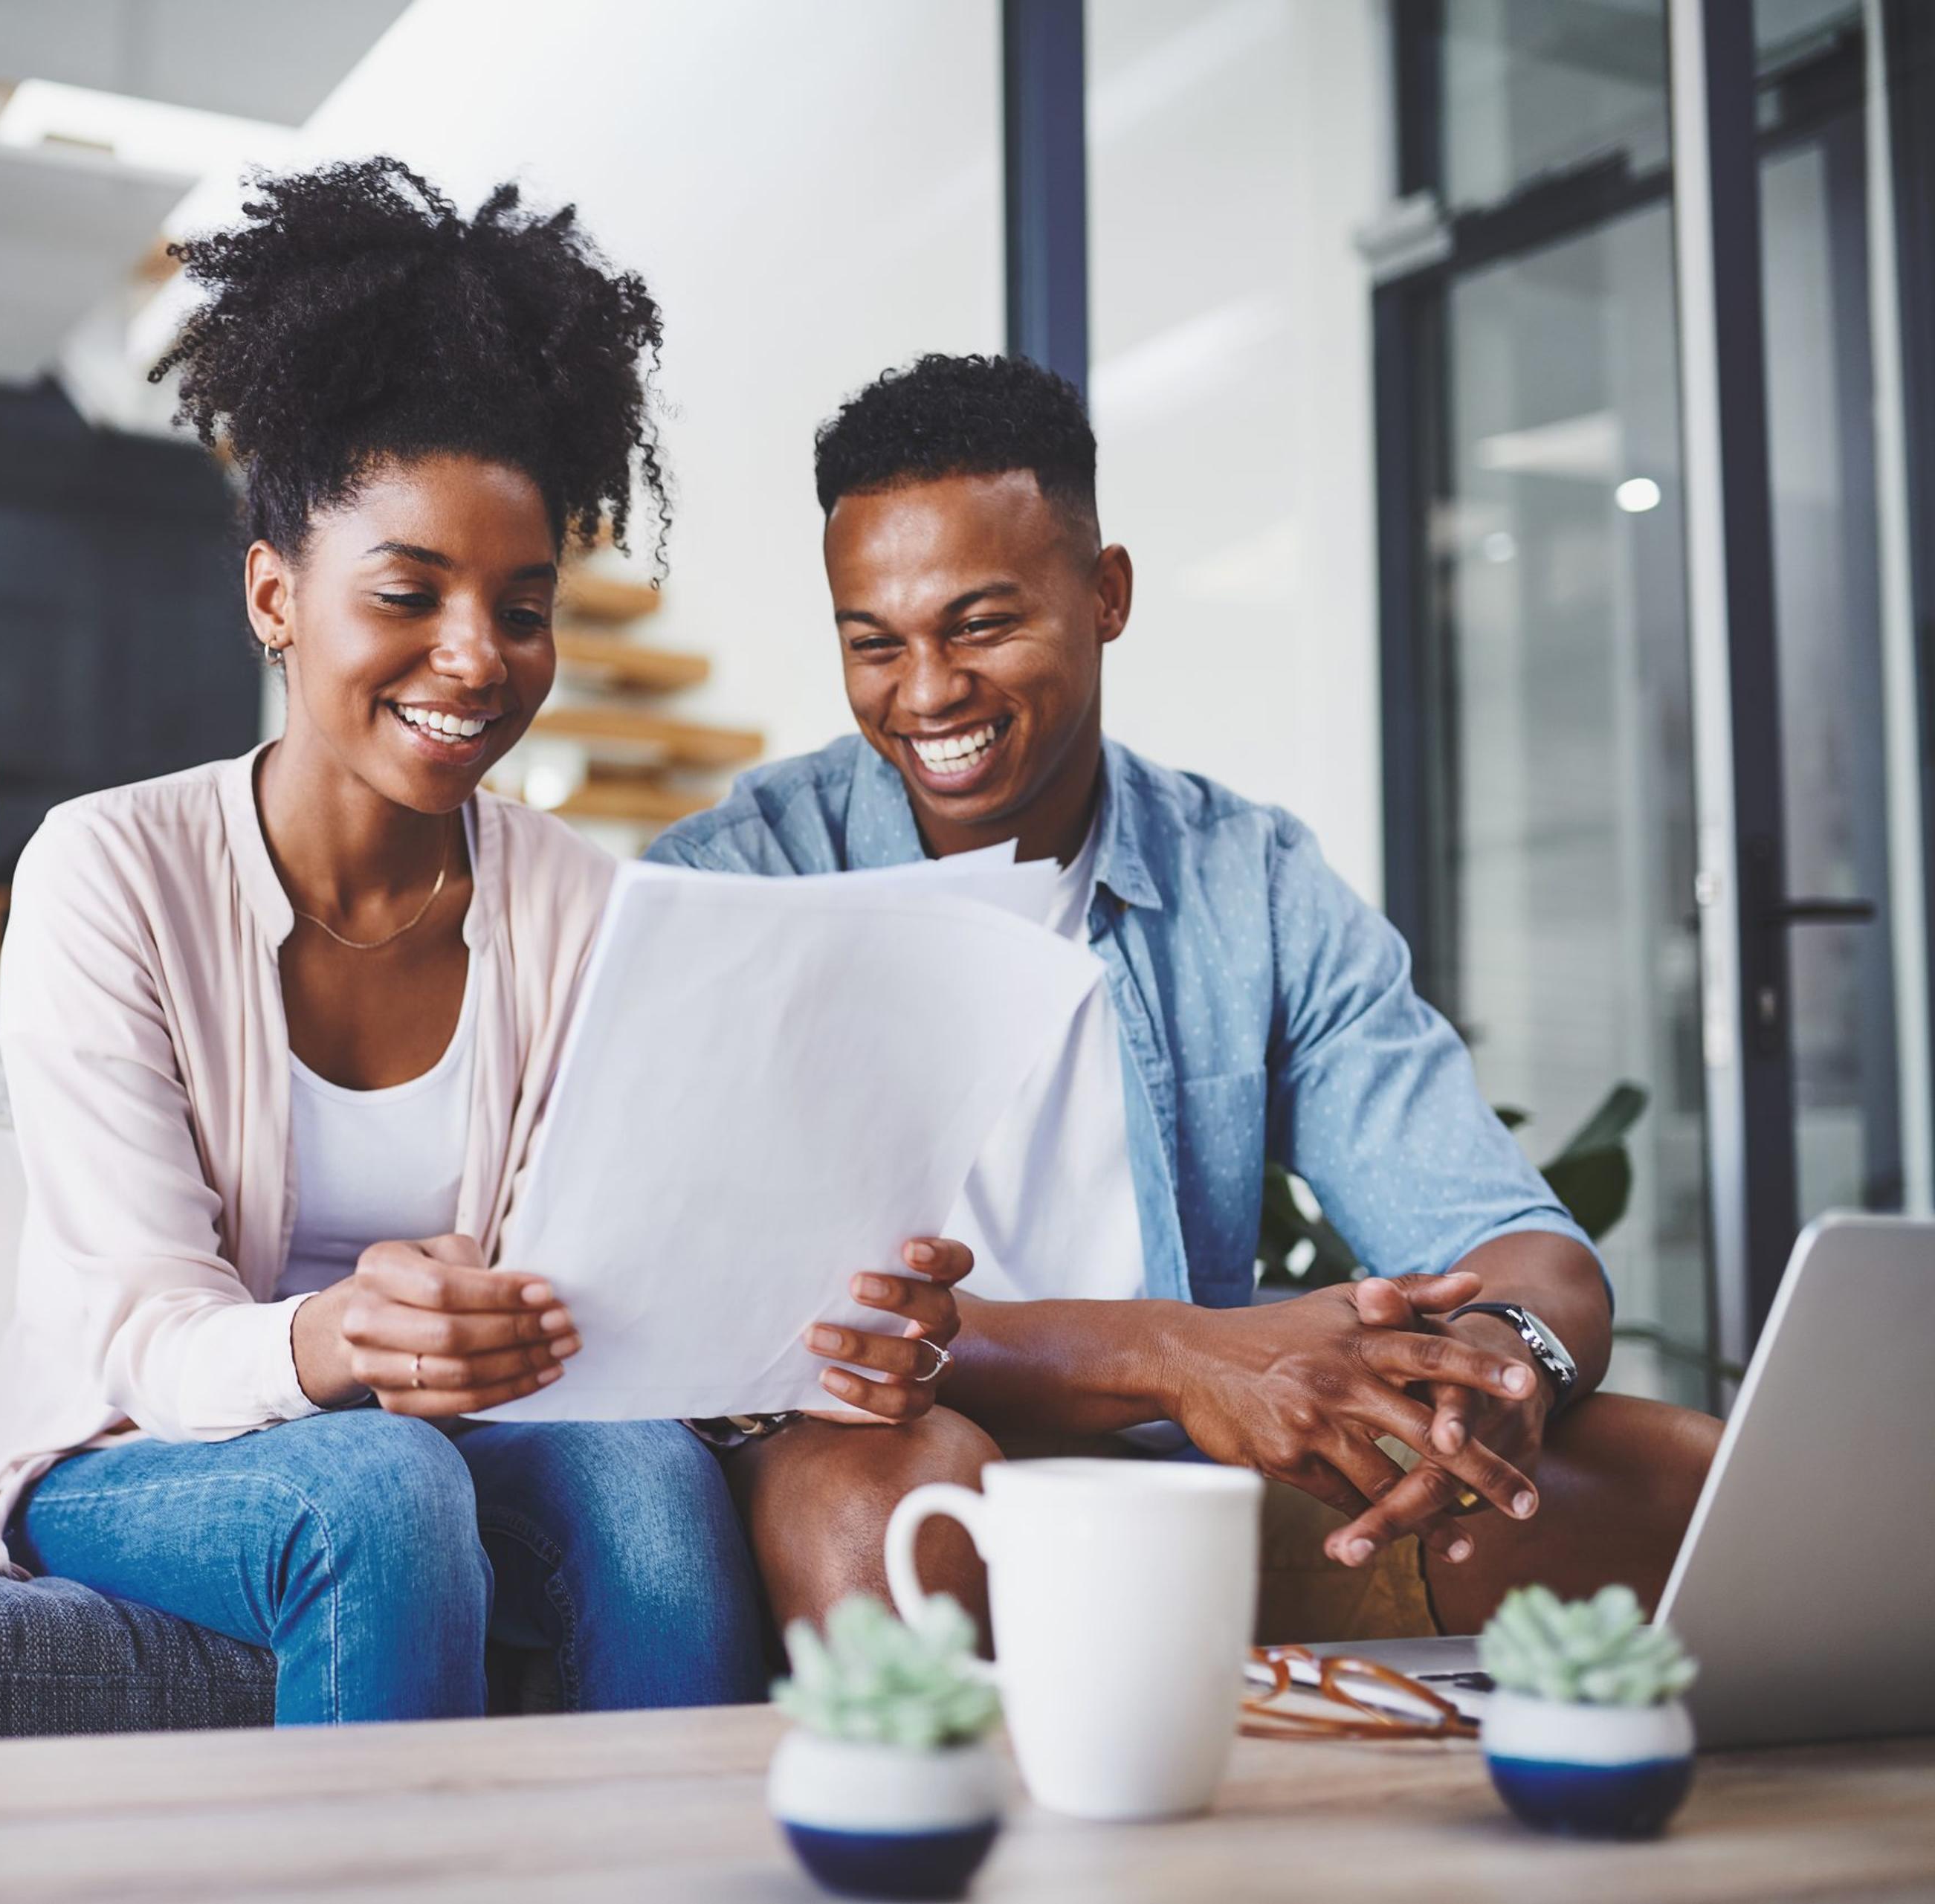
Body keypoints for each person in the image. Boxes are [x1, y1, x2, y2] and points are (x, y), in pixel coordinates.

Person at [0, 161, 956, 1723]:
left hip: (475, 1423)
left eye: (524, 608)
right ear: (275, 594)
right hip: (130, 1439)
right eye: (410, 592)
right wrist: (338, 1340)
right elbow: (138, 1323)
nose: (476, 658)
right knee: (381, 1487)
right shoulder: (108, 875)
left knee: (653, 1492)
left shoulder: (582, 906)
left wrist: (818, 1335)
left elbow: (622, 1285)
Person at [651, 352, 1722, 1645]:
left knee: (1671, 1484)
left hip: (1185, 1484)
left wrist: (1499, 1367)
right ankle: (965, 1838)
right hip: (888, 1471)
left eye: (981, 625)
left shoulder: (1247, 877)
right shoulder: (737, 882)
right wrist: (1178, 1350)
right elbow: (768, 1319)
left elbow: (1524, 1246)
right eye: (875, 643)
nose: (925, 692)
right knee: (890, 1485)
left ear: (1106, 594)